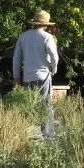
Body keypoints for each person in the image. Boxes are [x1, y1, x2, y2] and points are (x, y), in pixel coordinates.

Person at [12, 9, 59, 138]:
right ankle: (48, 136)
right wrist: (53, 70)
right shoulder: (47, 37)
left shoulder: (24, 36)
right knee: (46, 106)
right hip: (43, 76)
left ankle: (31, 135)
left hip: (27, 77)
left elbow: (16, 58)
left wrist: (16, 76)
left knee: (30, 106)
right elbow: (54, 56)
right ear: (45, 24)